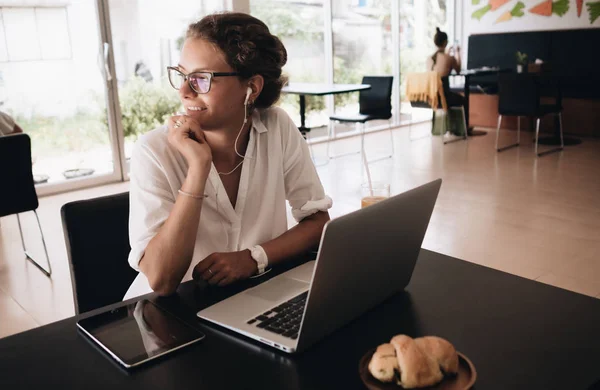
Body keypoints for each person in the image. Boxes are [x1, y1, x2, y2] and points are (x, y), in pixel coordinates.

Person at [124, 13, 332, 299]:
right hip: (170, 315)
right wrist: (198, 168)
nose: (184, 91)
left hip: (253, 298)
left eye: (201, 79)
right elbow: (161, 279)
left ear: (252, 88)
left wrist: (253, 258)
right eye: (182, 75)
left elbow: (318, 221)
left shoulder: (277, 127)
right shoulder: (153, 151)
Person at [425, 27, 463, 108]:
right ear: (446, 42)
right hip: (444, 97)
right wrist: (458, 53)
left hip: (431, 96)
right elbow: (458, 70)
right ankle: (453, 120)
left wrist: (447, 53)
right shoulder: (448, 58)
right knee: (463, 100)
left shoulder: (429, 58)